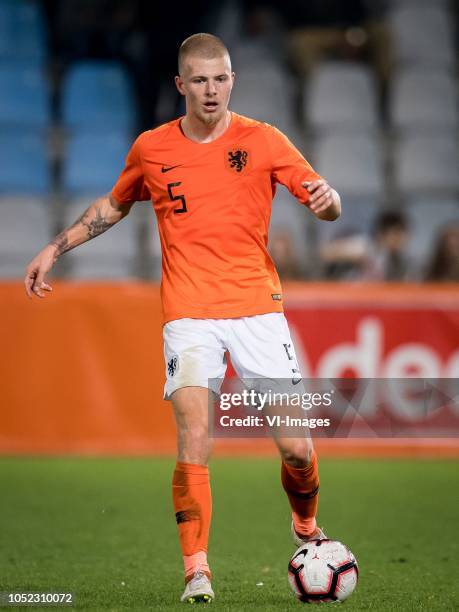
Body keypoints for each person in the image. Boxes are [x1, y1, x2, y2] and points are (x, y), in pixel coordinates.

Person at [24, 33, 341, 604]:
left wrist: (329, 201)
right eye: (199, 80)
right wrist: (56, 247)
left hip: (257, 309)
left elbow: (324, 198)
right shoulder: (152, 148)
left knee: (296, 449)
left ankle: (305, 529)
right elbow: (114, 204)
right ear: (181, 85)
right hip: (189, 312)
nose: (211, 89)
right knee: (195, 433)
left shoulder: (263, 141)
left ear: (232, 81)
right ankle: (197, 569)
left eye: (220, 78)